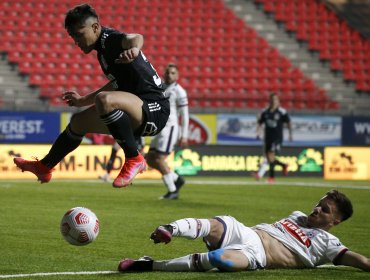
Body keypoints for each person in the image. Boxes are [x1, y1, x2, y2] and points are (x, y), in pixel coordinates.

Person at [13, 4, 169, 188]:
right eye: (72, 37)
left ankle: (134, 158)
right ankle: (44, 167)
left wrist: (135, 50)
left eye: (79, 34)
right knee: (78, 122)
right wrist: (82, 101)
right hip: (136, 107)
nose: (76, 41)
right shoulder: (102, 52)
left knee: (104, 100)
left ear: (95, 27)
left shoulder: (109, 39)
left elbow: (135, 38)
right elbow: (115, 84)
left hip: (155, 109)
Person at [118, 190, 370, 273]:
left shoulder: (328, 242)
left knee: (220, 260)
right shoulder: (299, 216)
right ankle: (169, 228)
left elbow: (360, 261)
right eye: (318, 204)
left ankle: (150, 265)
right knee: (217, 223)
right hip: (249, 233)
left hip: (258, 257)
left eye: (324, 210)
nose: (316, 210)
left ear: (335, 221)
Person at [145, 63, 189, 200]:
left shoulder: (179, 91)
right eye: (168, 72)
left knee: (159, 158)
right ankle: (176, 178)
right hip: (159, 128)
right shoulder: (160, 87)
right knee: (150, 159)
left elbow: (185, 114)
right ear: (163, 74)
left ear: (177, 75)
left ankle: (172, 190)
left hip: (170, 128)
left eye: (173, 73)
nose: (169, 75)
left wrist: (184, 135)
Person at [254, 93, 292, 183]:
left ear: (278, 101)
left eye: (276, 99)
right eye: (272, 99)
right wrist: (258, 132)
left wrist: (290, 134)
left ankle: (271, 177)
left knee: (271, 155)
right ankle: (283, 165)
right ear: (270, 101)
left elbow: (289, 122)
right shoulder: (265, 112)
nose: (274, 101)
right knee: (269, 158)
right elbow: (260, 122)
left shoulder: (282, 112)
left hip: (277, 137)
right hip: (267, 137)